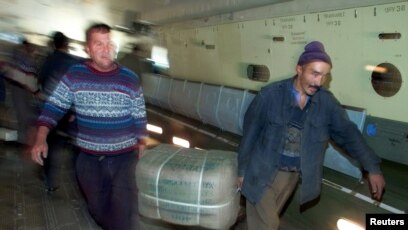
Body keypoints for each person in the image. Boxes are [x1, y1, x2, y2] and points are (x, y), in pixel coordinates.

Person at [237, 41, 385, 230]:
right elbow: (250, 134)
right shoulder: (270, 96)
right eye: (314, 74)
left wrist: (372, 168)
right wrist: (242, 171)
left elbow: (349, 135)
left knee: (265, 223)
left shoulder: (326, 104)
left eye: (324, 76)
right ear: (299, 69)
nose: (318, 82)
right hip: (261, 171)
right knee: (268, 224)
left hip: (290, 176)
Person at [31, 23, 148, 230]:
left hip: (124, 159)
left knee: (124, 213)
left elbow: (139, 115)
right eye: (99, 44)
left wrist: (142, 141)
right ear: (88, 49)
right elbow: (53, 107)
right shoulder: (75, 75)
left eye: (109, 43)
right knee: (96, 208)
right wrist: (41, 138)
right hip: (89, 160)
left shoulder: (129, 78)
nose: (106, 49)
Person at [36, 31, 82, 193]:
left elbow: (40, 80)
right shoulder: (72, 62)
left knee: (49, 143)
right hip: (68, 111)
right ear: (66, 44)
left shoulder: (48, 61)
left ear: (54, 44)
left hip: (50, 109)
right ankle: (81, 181)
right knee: (76, 145)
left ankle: (49, 181)